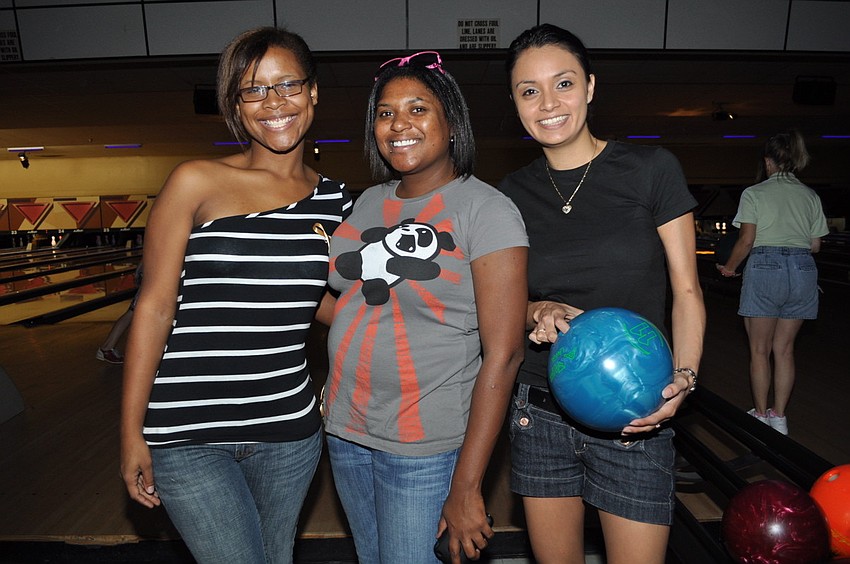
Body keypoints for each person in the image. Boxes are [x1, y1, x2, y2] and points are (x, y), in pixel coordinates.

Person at [119, 27, 351, 564]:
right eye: (253, 89)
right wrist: (131, 432)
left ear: (313, 92)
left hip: (288, 431)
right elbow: (154, 306)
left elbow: (311, 295)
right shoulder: (195, 181)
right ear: (235, 104)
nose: (274, 103)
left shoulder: (336, 201)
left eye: (287, 83)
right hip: (189, 431)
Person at [497, 24, 706, 564]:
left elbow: (687, 290)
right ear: (515, 103)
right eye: (529, 91)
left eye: (563, 83)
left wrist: (684, 377)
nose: (548, 103)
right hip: (539, 410)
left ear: (589, 86)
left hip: (638, 409)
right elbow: (496, 307)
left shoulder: (651, 171)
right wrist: (533, 310)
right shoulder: (507, 196)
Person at [319, 51, 529, 564]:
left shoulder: (487, 210)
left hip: (425, 444)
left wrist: (467, 484)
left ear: (451, 123)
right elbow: (349, 306)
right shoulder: (368, 202)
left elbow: (504, 355)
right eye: (386, 113)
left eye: (418, 109)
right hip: (346, 430)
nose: (399, 125)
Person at [717, 130, 828, 436]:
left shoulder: (755, 194)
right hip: (804, 269)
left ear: (768, 162)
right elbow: (815, 245)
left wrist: (730, 268)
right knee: (785, 350)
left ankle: (761, 415)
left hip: (766, 268)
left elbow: (747, 240)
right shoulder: (810, 195)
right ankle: (780, 417)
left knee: (759, 350)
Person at [96, 261, 143, 364]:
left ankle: (107, 348)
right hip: (152, 279)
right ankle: (106, 348)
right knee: (132, 313)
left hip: (150, 277)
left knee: (132, 313)